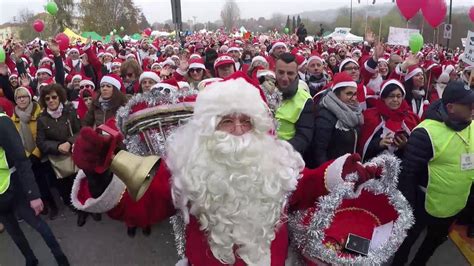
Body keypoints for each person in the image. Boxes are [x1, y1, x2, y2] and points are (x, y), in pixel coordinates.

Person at [70, 75, 379, 266]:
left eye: (246, 121)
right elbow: (142, 207)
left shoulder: (274, 160)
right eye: (227, 121)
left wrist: (346, 170)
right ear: (207, 127)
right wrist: (100, 179)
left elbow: (302, 187)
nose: (238, 130)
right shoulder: (187, 166)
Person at [393, 80, 474, 265]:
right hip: (423, 204)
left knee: (431, 244)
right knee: (406, 242)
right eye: (468, 104)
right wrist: (408, 209)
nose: (473, 108)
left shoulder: (473, 126)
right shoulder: (425, 132)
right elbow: (408, 174)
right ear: (451, 107)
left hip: (454, 205)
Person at [0, 107, 69, 266]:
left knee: (39, 225)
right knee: (14, 232)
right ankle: (30, 259)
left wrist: (33, 194)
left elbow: (21, 160)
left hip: (15, 187)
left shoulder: (2, 121)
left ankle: (60, 257)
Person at [35, 84, 83, 225]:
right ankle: (72, 205)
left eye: (54, 97)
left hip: (74, 155)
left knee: (79, 182)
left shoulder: (70, 112)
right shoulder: (42, 119)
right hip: (57, 160)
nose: (51, 100)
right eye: (47, 98)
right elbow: (41, 142)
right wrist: (56, 146)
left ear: (60, 97)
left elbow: (80, 131)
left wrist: (69, 142)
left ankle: (83, 208)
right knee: (63, 186)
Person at [11, 87, 59, 220]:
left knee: (50, 180)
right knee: (37, 182)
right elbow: (15, 140)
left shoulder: (41, 113)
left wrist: (36, 154)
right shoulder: (13, 118)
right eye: (18, 97)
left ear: (29, 97)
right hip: (28, 157)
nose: (21, 99)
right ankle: (46, 205)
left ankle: (56, 202)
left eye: (24, 96)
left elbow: (44, 135)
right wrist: (28, 155)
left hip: (43, 153)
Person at [309, 72, 364, 168]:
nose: (354, 98)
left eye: (355, 94)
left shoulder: (355, 111)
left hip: (348, 168)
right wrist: (327, 173)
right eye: (349, 94)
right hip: (332, 171)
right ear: (336, 94)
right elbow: (319, 151)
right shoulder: (325, 116)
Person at [358, 80, 419, 162]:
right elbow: (361, 149)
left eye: (399, 96)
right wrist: (379, 144)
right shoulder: (370, 116)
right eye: (391, 96)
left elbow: (418, 150)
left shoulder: (410, 118)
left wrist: (405, 145)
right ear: (383, 98)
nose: (395, 99)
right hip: (374, 168)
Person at [274, 53, 313, 156]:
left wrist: (278, 151)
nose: (285, 78)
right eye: (281, 72)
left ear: (297, 73)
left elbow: (303, 137)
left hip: (287, 157)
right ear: (274, 71)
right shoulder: (261, 91)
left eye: (290, 73)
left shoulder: (305, 100)